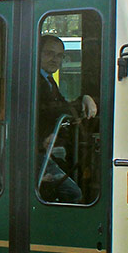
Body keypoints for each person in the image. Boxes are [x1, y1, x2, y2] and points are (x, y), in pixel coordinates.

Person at [36, 34, 96, 203]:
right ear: (37, 52)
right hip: (34, 152)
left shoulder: (49, 80)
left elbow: (61, 106)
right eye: (49, 53)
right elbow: (50, 109)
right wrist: (82, 101)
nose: (55, 59)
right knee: (73, 193)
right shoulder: (34, 79)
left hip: (46, 148)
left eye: (59, 55)